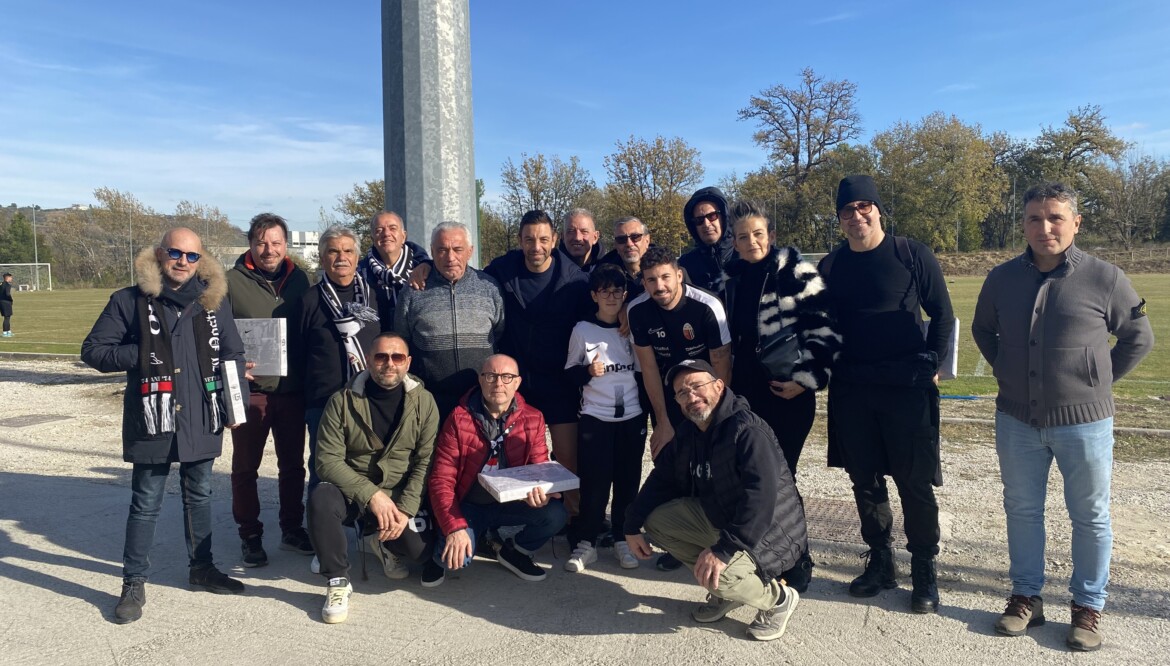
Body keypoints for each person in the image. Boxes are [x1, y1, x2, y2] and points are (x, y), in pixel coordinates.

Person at [972, 182, 1153, 651]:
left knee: (1090, 515)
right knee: (1022, 509)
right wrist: (1009, 373)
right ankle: (1026, 598)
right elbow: (983, 331)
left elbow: (1138, 338)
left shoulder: (1105, 278)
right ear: (1025, 225)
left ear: (1076, 222)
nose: (1044, 227)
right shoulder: (1001, 279)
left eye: (1055, 217)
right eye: (1034, 218)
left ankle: (1088, 606)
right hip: (1016, 419)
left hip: (1085, 424)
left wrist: (1097, 382)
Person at [81, 227, 248, 625]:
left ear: (200, 259)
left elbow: (233, 352)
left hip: (201, 414)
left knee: (201, 495)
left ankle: (201, 568)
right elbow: (94, 350)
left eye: (192, 256)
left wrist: (233, 404)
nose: (183, 262)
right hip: (153, 417)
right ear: (160, 253)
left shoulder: (214, 302)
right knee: (145, 502)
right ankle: (133, 582)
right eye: (175, 253)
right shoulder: (129, 300)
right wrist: (145, 352)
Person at [819, 175, 955, 614]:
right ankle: (880, 561)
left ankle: (923, 569)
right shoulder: (831, 266)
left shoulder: (911, 255)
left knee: (914, 483)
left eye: (864, 206)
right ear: (839, 218)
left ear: (878, 209)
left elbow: (943, 315)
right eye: (847, 210)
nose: (856, 216)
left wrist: (933, 365)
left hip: (906, 389)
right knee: (865, 480)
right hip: (853, 390)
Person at [624, 359, 807, 641]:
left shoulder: (747, 431)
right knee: (657, 520)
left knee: (722, 576)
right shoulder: (689, 431)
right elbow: (662, 479)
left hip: (769, 533)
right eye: (682, 393)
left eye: (697, 386)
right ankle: (727, 591)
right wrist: (631, 525)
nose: (691, 397)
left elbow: (760, 501)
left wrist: (723, 551)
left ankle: (778, 599)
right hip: (722, 517)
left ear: (719, 386)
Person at [723, 199, 841, 591]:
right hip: (746, 393)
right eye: (743, 236)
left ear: (770, 236)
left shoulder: (795, 272)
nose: (751, 241)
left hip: (788, 392)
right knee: (750, 475)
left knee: (782, 476)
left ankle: (798, 555)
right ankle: (758, 552)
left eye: (758, 234)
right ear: (734, 242)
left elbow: (824, 329)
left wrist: (807, 380)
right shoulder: (731, 278)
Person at [308, 333, 439, 624]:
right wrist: (371, 495)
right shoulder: (341, 401)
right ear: (368, 361)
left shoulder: (424, 402)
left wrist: (405, 508)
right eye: (381, 357)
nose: (388, 364)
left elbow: (424, 461)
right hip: (354, 491)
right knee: (321, 496)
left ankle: (378, 540)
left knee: (419, 552)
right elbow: (327, 460)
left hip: (397, 494)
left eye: (397, 357)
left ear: (408, 362)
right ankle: (337, 579)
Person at [485, 210, 591, 525]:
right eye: (529, 239)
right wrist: (423, 266)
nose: (536, 246)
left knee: (568, 457)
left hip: (559, 383)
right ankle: (515, 518)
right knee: (513, 456)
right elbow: (465, 275)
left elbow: (599, 312)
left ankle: (576, 518)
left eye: (543, 239)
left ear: (554, 240)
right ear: (519, 240)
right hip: (518, 384)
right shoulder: (502, 271)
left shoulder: (575, 280)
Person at [425, 354, 568, 587]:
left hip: (510, 502)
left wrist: (539, 492)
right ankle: (442, 548)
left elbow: (539, 468)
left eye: (507, 377)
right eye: (491, 376)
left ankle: (515, 551)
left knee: (555, 514)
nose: (498, 383)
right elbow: (441, 479)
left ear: (517, 382)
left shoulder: (533, 417)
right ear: (481, 380)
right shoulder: (458, 419)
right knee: (456, 560)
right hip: (469, 504)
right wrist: (455, 528)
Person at [225, 212, 313, 568]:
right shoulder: (230, 281)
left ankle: (291, 527)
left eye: (276, 242)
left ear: (285, 245)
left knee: (293, 466)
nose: (269, 249)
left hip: (292, 391)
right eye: (262, 242)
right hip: (252, 391)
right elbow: (214, 332)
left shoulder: (301, 280)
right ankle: (250, 533)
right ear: (250, 244)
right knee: (246, 466)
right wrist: (231, 365)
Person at [563, 263, 647, 572]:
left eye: (617, 292)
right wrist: (588, 371)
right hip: (595, 420)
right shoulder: (582, 330)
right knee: (595, 484)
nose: (611, 297)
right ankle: (587, 542)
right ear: (594, 295)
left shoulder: (632, 328)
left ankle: (623, 539)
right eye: (604, 292)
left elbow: (644, 373)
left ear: (625, 295)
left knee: (627, 482)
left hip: (632, 419)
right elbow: (569, 372)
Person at [297, 225, 381, 492]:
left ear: (357, 257)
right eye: (333, 251)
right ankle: (323, 531)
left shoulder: (372, 297)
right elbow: (298, 352)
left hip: (369, 399)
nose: (341, 257)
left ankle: (366, 528)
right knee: (324, 470)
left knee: (368, 467)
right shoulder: (309, 300)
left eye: (347, 251)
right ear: (323, 258)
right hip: (324, 401)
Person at [394, 221, 504, 421]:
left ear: (470, 251)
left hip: (480, 399)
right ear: (432, 252)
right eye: (442, 250)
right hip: (430, 400)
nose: (450, 257)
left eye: (457, 249)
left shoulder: (489, 288)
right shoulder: (413, 291)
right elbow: (402, 339)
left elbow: (499, 335)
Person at [357, 210, 431, 332]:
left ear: (403, 236)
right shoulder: (359, 274)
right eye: (379, 230)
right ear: (372, 238)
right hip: (376, 347)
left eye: (393, 228)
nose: (386, 234)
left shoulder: (424, 270)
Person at [679, 187, 736, 298]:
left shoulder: (745, 256)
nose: (706, 224)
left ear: (724, 217)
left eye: (712, 216)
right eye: (699, 220)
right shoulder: (685, 265)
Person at [595, 216, 653, 300]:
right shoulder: (604, 273)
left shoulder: (663, 266)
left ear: (647, 240)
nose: (629, 244)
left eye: (635, 237)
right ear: (615, 245)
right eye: (621, 239)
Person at [0, 272, 12, 337]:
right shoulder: (7, 285)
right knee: (7, 317)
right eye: (11, 277)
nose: (11, 278)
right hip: (6, 302)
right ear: (8, 278)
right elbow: (7, 294)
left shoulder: (1, 284)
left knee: (6, 317)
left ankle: (8, 331)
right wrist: (10, 299)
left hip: (1, 302)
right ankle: (5, 332)